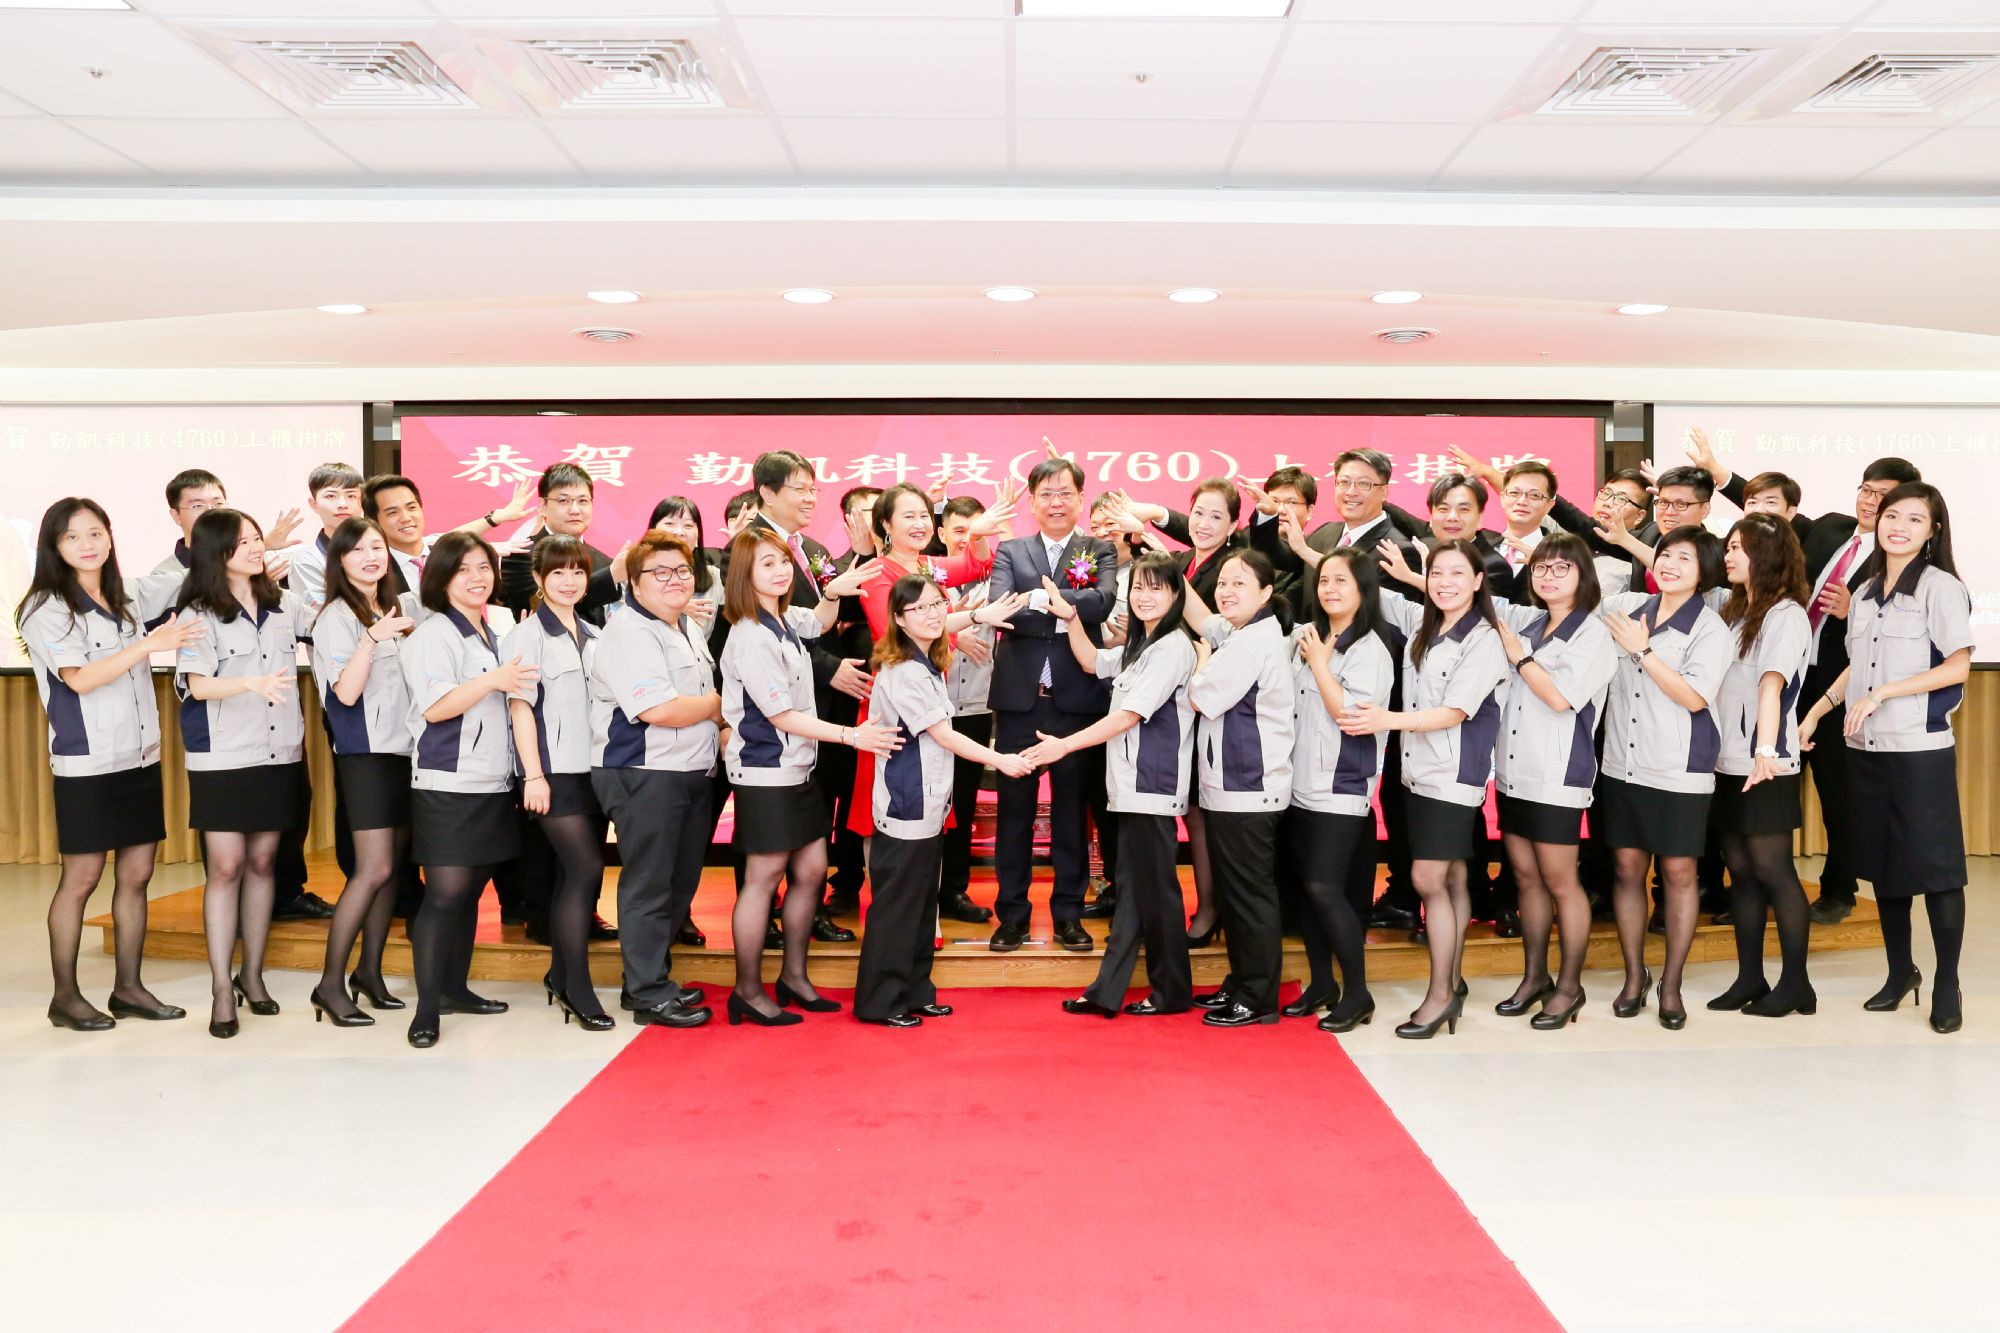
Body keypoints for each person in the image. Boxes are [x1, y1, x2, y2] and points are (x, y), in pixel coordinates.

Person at [1687, 430, 1924, 927]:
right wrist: (1720, 474)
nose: (1870, 501)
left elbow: (1896, 638)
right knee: (1770, 792)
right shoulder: (1831, 528)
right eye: (1866, 489)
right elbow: (1769, 519)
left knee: (1837, 794)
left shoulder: (1902, 564)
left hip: (1839, 688)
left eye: (1883, 495)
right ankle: (1761, 885)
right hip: (1789, 674)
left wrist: (1853, 612)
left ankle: (1839, 888)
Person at [1800, 482, 1972, 1034]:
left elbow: (1957, 667)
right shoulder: (1867, 591)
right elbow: (1857, 665)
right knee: (1885, 871)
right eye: (1892, 515)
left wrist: (1884, 694)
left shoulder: (1940, 588)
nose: (1898, 526)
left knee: (1938, 873)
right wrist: (1817, 712)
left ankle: (1946, 983)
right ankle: (1901, 973)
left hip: (1918, 750)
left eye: (1914, 519)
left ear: (1933, 531)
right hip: (1865, 750)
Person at [17, 498, 195, 1030]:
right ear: (54, 546)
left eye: (95, 533)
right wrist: (148, 646)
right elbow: (80, 679)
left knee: (138, 874)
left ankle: (129, 989)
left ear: (110, 537)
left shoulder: (127, 595)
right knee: (82, 877)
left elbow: (186, 573)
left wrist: (257, 545)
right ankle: (66, 997)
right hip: (87, 762)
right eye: (72, 537)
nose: (87, 544)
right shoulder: (46, 608)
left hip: (139, 756)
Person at [718, 525, 898, 1026]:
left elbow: (817, 621)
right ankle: (746, 991)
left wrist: (834, 592)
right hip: (765, 772)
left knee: (814, 870)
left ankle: (794, 977)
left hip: (798, 769)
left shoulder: (781, 618)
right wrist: (850, 735)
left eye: (783, 562)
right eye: (767, 564)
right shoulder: (750, 635)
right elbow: (780, 716)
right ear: (744, 574)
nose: (780, 571)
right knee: (763, 879)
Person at [1345, 539, 1509, 1039]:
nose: (1444, 583)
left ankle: (1439, 996)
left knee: (1428, 878)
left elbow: (1455, 711)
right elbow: (1367, 591)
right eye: (1437, 573)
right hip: (1418, 773)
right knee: (1452, 878)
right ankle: (1452, 984)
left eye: (1457, 574)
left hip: (1452, 776)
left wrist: (1386, 719)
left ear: (1478, 581)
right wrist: (1308, 552)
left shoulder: (1484, 638)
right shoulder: (1425, 622)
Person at [1028, 552, 1199, 1019]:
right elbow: (1091, 662)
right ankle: (1108, 991)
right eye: (1138, 587)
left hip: (1153, 784)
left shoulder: (1172, 648)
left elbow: (1128, 716)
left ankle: (1170, 993)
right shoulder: (1141, 645)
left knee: (1157, 893)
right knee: (1134, 890)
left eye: (1156, 588)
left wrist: (1065, 745)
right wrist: (1070, 618)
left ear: (1176, 595)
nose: (1144, 596)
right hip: (1131, 785)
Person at [856, 574, 1031, 1026]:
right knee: (898, 908)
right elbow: (943, 734)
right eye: (919, 608)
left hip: (929, 801)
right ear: (898, 619)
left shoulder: (926, 659)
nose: (932, 614)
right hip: (907, 802)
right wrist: (1000, 759)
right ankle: (881, 1001)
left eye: (937, 604)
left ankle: (916, 991)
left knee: (920, 904)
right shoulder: (903, 669)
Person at [172, 508, 316, 1039]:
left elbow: (330, 623)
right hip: (223, 756)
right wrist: (251, 683)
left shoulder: (284, 606)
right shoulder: (197, 612)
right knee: (226, 866)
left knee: (262, 862)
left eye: (257, 539)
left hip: (278, 752)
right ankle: (219, 987)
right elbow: (198, 685)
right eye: (243, 543)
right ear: (217, 553)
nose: (256, 548)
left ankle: (252, 975)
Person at [1593, 527, 1732, 1030]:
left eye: (1685, 559)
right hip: (1622, 762)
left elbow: (1695, 697)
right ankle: (1635, 976)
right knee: (1627, 869)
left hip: (1678, 767)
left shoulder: (1711, 629)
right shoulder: (1627, 606)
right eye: (1666, 554)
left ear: (1705, 571)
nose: (1670, 564)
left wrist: (1643, 651)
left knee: (1678, 873)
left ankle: (1671, 984)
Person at [735, 450, 873, 947]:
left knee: (813, 846)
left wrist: (846, 576)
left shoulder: (810, 548)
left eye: (814, 488)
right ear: (767, 492)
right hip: (769, 737)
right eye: (800, 488)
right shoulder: (748, 547)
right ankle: (763, 932)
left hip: (814, 723)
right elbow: (758, 632)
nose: (811, 498)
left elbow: (813, 621)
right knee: (764, 860)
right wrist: (831, 671)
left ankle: (804, 917)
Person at [398, 531, 530, 1049]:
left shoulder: (492, 631)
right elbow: (435, 708)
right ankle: (426, 1009)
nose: (477, 578)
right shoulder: (433, 634)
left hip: (491, 780)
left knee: (472, 891)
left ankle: (455, 988)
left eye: (484, 567)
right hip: (447, 781)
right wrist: (495, 679)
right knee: (446, 893)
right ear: (441, 578)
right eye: (463, 569)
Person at [984, 457, 1119, 954]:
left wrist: (1038, 598)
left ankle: (1068, 914)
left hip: (1076, 703)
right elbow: (1001, 608)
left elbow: (1103, 602)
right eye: (1046, 494)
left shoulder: (1099, 548)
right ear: (1033, 501)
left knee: (1071, 814)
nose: (1056, 502)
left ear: (1080, 499)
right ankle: (1012, 917)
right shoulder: (1011, 549)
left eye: (1065, 493)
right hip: (1020, 702)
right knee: (1013, 815)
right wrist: (1062, 604)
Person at [589, 532, 720, 1030]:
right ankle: (646, 993)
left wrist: (709, 712)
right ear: (634, 583)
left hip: (687, 771)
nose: (674, 580)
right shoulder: (628, 631)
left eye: (682, 570)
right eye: (660, 572)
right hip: (644, 772)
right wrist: (717, 706)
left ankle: (651, 979)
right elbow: (658, 709)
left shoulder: (686, 626)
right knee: (649, 883)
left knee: (677, 882)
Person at [1486, 533, 1617, 1029]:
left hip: (1558, 773)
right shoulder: (1532, 623)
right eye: (1541, 567)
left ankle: (1569, 986)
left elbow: (1561, 698)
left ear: (1584, 576)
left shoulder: (1592, 634)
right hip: (1514, 769)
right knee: (1525, 878)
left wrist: (1520, 657)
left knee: (1562, 882)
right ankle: (1534, 977)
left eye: (1562, 568)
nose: (1548, 575)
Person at [501, 536, 613, 1030]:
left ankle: (560, 976)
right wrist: (534, 775)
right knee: (585, 868)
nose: (569, 581)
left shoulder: (595, 634)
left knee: (577, 877)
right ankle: (577, 988)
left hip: (595, 772)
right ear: (539, 579)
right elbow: (519, 709)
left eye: (578, 572)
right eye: (558, 573)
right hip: (551, 772)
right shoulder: (525, 637)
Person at [1282, 547, 1396, 1034]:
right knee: (1306, 893)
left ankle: (1358, 993)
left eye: (1341, 581)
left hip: (1341, 786)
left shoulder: (1370, 650)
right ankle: (1322, 984)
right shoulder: (1312, 638)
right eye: (1324, 580)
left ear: (1363, 590)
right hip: (1298, 784)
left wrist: (1321, 666)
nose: (1329, 589)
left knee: (1325, 889)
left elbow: (1349, 716)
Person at [307, 517, 415, 1025]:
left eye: (378, 547)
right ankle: (330, 984)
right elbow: (346, 694)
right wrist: (371, 638)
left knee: (391, 868)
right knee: (371, 869)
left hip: (404, 751)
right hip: (365, 754)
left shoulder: (390, 607)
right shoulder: (335, 616)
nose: (371, 556)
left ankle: (369, 973)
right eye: (358, 550)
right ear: (340, 561)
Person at [1707, 514, 1815, 1019]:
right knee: (1742, 873)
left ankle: (1797, 984)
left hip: (1765, 762)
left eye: (1737, 548)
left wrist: (1765, 751)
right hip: (1728, 760)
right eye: (1728, 547)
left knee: (1775, 871)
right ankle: (1750, 977)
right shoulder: (1734, 609)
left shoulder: (1786, 614)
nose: (1728, 556)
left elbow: (1772, 686)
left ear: (1766, 556)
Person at [1183, 549, 1295, 1028]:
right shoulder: (1245, 631)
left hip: (1248, 786)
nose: (1226, 591)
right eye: (1223, 582)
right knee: (1237, 894)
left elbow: (1201, 696)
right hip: (1235, 785)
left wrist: (1200, 662)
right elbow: (1204, 619)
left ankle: (1258, 997)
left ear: (1266, 592)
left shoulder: (1252, 642)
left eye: (1239, 584)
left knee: (1249, 897)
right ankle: (1242, 981)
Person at [936, 495, 1000, 925]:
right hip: (930, 709)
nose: (966, 539)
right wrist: (954, 633)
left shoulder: (998, 579)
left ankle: (954, 891)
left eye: (975, 531)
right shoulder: (924, 577)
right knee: (929, 800)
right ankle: (924, 887)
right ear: (941, 533)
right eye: (959, 530)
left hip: (976, 706)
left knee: (962, 801)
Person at [363, 472, 537, 589]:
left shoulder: (439, 550)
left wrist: (496, 518)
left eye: (411, 507)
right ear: (374, 521)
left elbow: (453, 537)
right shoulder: (374, 568)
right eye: (392, 512)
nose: (406, 517)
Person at [282, 462, 366, 610]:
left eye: (351, 495)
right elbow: (318, 614)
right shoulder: (306, 561)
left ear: (363, 501)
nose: (342, 504)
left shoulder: (379, 550)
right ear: (314, 504)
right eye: (331, 496)